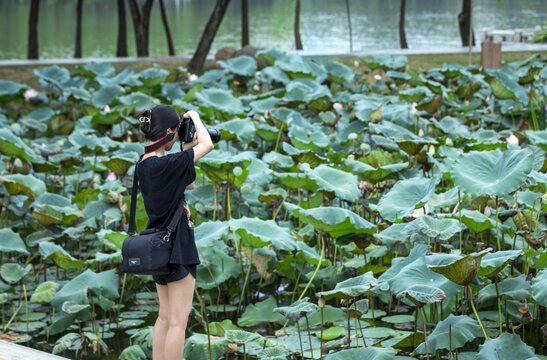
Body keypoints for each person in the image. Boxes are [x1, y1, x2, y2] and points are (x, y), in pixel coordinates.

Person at [136, 104, 214, 360]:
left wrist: (186, 148)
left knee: (164, 316)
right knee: (178, 322)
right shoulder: (168, 163)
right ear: (169, 131)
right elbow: (209, 144)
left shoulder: (143, 165)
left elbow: (188, 184)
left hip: (157, 246)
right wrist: (194, 117)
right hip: (178, 246)